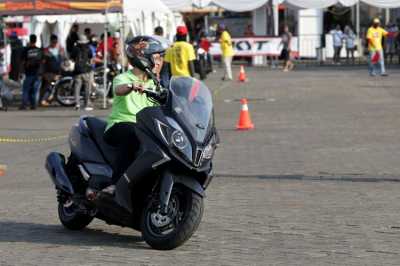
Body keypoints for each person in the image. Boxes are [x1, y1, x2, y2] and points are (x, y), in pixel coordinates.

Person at [101, 36, 166, 193]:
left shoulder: (156, 85)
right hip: (120, 124)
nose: (160, 62)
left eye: (161, 58)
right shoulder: (123, 78)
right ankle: (116, 183)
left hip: (146, 127)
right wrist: (131, 86)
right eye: (157, 57)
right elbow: (118, 89)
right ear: (143, 59)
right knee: (132, 132)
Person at [70, 34, 93, 111]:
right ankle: (86, 104)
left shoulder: (75, 49)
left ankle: (77, 104)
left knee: (77, 88)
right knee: (87, 88)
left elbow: (72, 57)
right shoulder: (88, 48)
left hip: (77, 71)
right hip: (86, 70)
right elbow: (91, 57)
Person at [40, 35, 65, 106]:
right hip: (48, 72)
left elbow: (63, 59)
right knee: (48, 86)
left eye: (55, 42)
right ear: (50, 41)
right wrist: (43, 73)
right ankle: (43, 100)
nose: (54, 43)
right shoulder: (46, 50)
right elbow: (43, 62)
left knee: (55, 86)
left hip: (58, 71)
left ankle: (49, 100)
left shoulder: (60, 49)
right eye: (53, 42)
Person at [20, 34, 42, 110]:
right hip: (37, 73)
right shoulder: (39, 50)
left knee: (26, 89)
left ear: (30, 40)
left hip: (29, 73)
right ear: (36, 40)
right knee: (34, 90)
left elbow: (22, 62)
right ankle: (34, 105)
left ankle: (24, 105)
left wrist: (21, 72)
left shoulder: (26, 50)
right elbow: (42, 61)